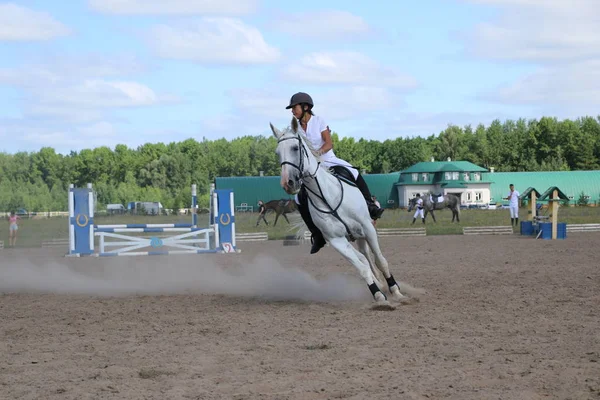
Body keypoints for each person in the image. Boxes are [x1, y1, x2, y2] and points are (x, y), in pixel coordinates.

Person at [286, 92, 385, 254]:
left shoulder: (319, 121)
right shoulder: (295, 129)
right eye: (292, 108)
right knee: (298, 198)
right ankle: (317, 234)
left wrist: (317, 154)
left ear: (305, 107)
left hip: (328, 159)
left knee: (353, 172)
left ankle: (370, 205)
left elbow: (328, 143)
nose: (292, 111)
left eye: (294, 107)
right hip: (311, 169)